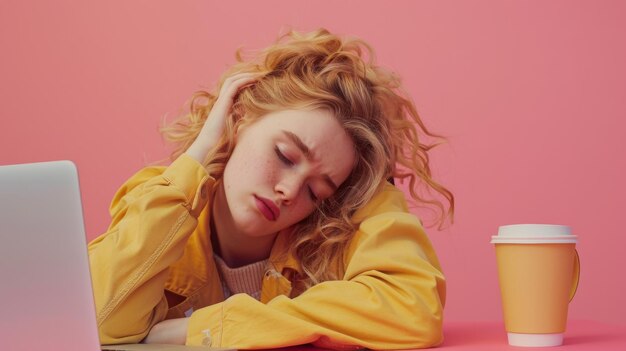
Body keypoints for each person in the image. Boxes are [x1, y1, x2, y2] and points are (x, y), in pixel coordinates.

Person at [88, 28, 455, 349]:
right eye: (285, 155)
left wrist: (210, 328)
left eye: (316, 192)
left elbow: (414, 307)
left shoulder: (345, 218)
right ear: (239, 118)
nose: (290, 191)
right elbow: (99, 318)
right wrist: (199, 154)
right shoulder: (164, 197)